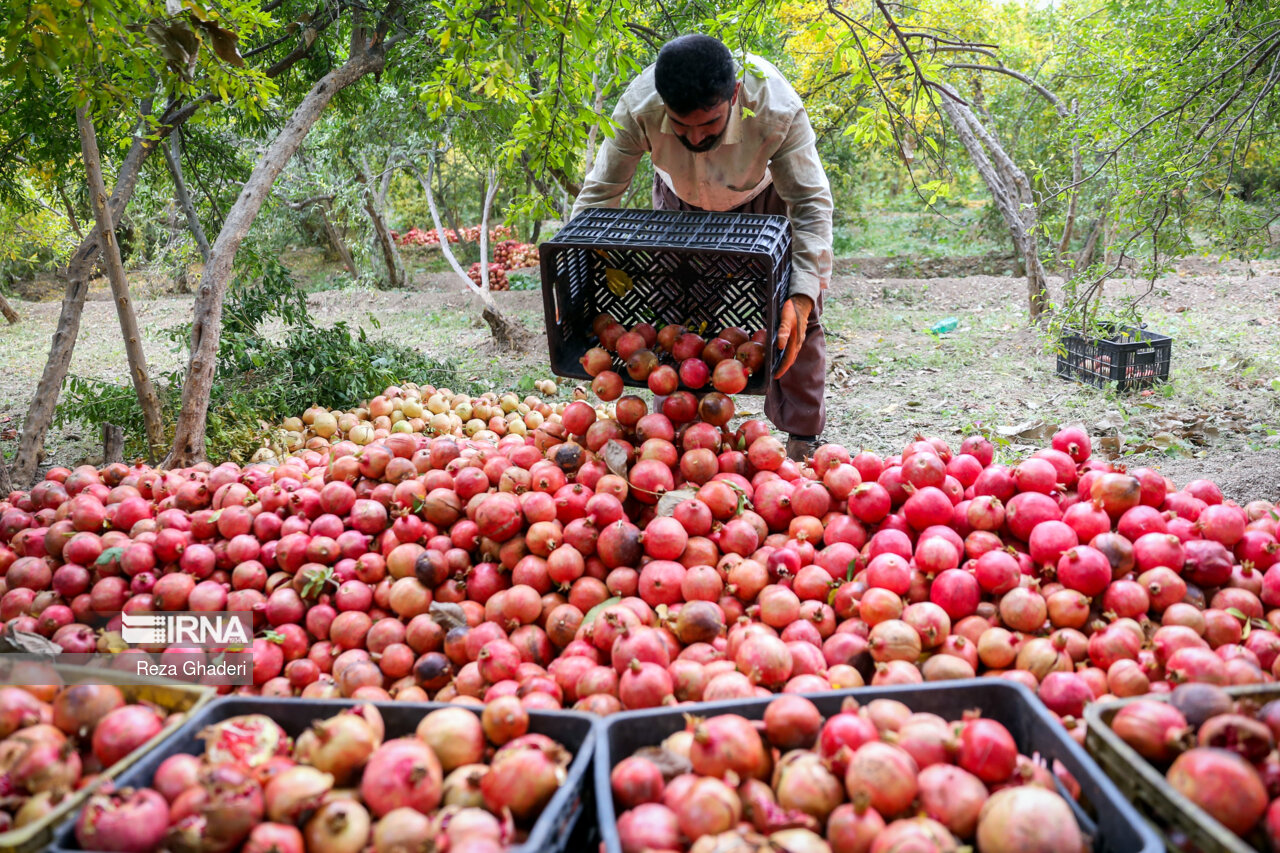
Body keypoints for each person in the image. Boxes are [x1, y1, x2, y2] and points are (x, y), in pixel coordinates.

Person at [572, 34, 833, 461]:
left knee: (793, 319)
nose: (694, 139)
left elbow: (809, 202)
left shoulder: (776, 107)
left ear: (734, 95)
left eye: (709, 125)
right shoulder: (639, 105)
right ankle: (672, 431)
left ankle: (802, 435)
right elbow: (600, 193)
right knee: (676, 315)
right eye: (681, 127)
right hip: (680, 199)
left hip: (764, 198)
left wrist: (804, 293)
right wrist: (578, 272)